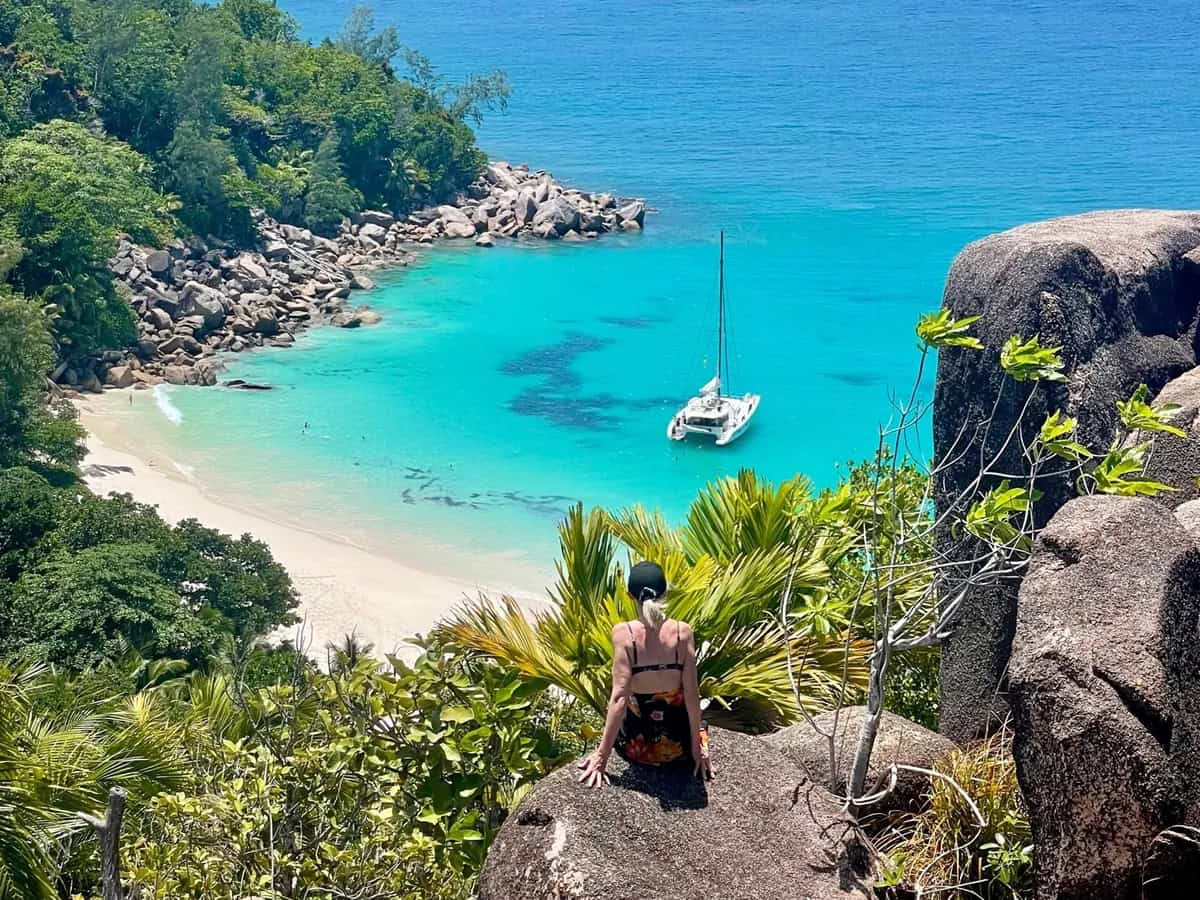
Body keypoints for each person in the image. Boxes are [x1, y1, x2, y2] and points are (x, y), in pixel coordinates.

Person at [578, 560, 712, 788]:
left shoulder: (624, 634)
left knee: (628, 701)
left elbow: (619, 699)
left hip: (638, 748)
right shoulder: (683, 633)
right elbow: (691, 695)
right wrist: (697, 749)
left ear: (630, 596)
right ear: (665, 593)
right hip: (678, 748)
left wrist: (601, 758)